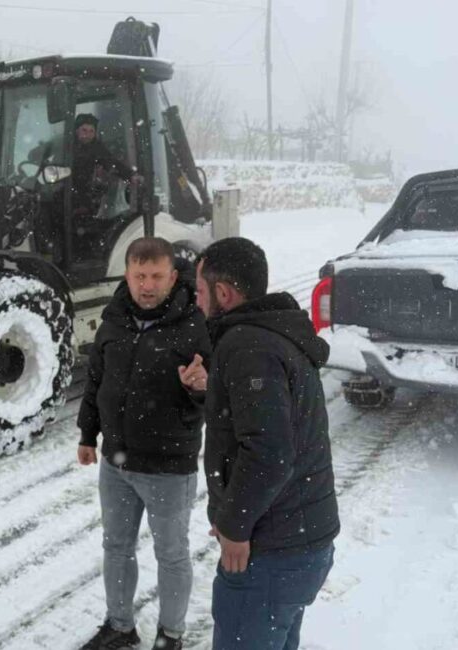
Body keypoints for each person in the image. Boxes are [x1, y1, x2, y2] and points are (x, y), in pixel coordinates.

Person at [183, 237, 339, 650]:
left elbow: (269, 453)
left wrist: (234, 525)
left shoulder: (247, 345)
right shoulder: (270, 333)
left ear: (223, 293)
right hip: (300, 542)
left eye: (200, 291)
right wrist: (210, 392)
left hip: (272, 552)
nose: (197, 302)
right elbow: (263, 420)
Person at [77, 237, 212, 650]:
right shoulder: (114, 319)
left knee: (171, 554)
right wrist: (87, 434)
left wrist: (202, 389)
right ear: (128, 275)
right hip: (115, 463)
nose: (147, 285)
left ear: (172, 277)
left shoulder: (195, 325)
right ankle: (120, 626)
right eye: (139, 275)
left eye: (156, 276)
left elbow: (216, 398)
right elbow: (96, 380)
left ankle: (170, 634)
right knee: (116, 547)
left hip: (169, 467)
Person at [71, 113, 140, 217]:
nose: (88, 135)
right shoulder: (66, 145)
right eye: (84, 130)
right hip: (65, 189)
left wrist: (130, 176)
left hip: (83, 194)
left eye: (91, 131)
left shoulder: (96, 148)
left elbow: (112, 163)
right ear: (77, 131)